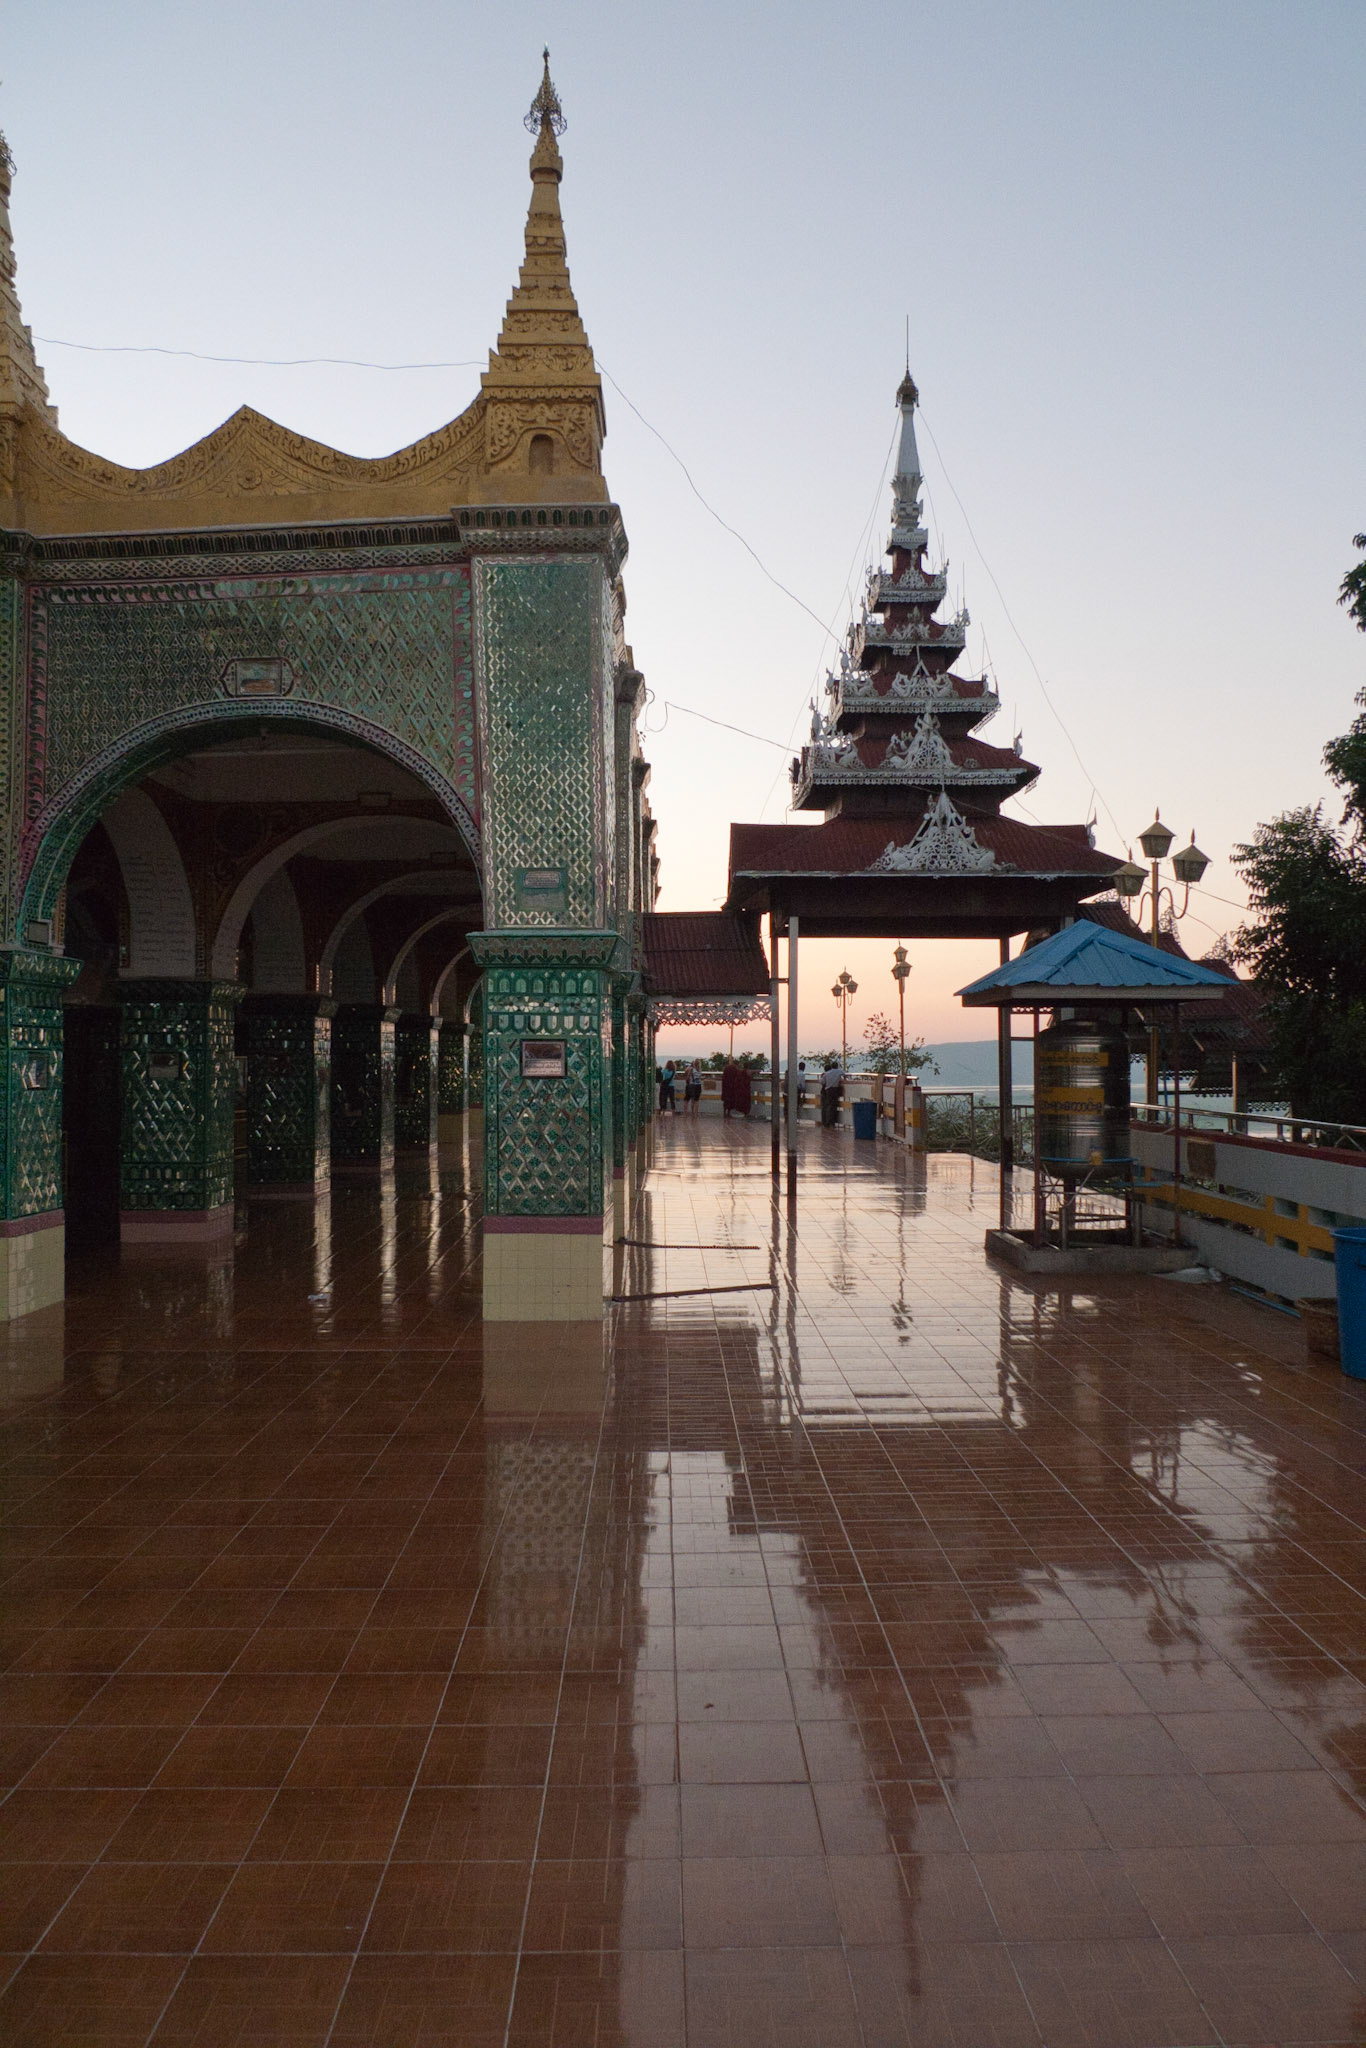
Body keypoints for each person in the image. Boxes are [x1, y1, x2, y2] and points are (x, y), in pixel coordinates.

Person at [820, 1057, 843, 1127]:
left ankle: (826, 1122)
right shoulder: (838, 1071)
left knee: (827, 1106)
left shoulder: (825, 1074)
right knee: (833, 1106)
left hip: (827, 1091)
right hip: (834, 1090)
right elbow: (843, 1073)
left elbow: (822, 1082)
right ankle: (831, 1122)